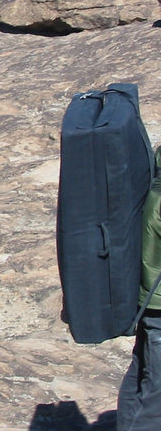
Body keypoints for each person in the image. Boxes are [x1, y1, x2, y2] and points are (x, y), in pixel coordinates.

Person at [117, 162, 161, 431]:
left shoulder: (153, 185)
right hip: (159, 304)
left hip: (149, 302)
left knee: (142, 376)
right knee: (156, 397)